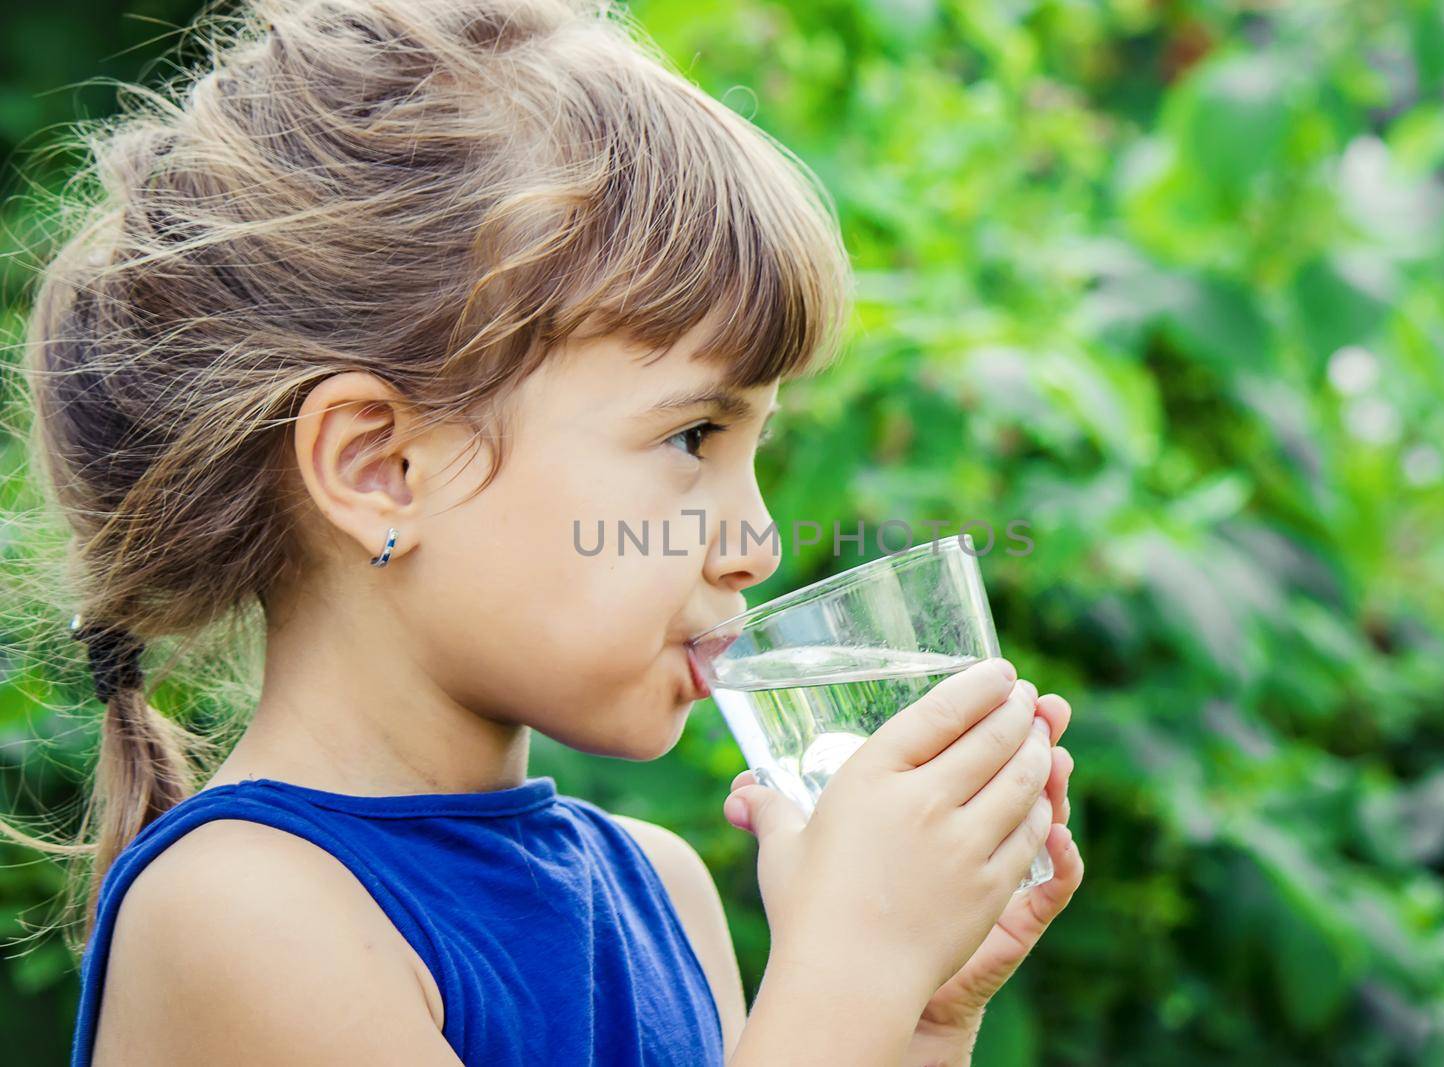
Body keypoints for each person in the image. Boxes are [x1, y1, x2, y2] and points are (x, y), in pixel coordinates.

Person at [12, 1, 1083, 1063]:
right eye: (693, 433)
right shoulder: (241, 912)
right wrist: (851, 971)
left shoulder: (661, 889)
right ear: (380, 467)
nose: (757, 538)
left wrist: (913, 1019)